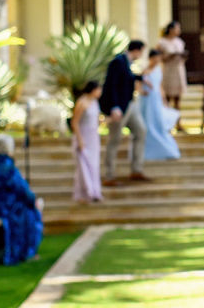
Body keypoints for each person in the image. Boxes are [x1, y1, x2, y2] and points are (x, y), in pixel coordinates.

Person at [0, 134, 43, 264]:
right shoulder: (8, 166)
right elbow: (23, 190)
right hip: (5, 210)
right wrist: (33, 201)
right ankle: (25, 252)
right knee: (31, 213)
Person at [99, 39, 150, 184]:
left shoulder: (127, 63)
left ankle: (136, 169)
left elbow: (126, 79)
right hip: (120, 107)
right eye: (141, 52)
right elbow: (112, 85)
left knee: (141, 131)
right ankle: (109, 175)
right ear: (137, 50)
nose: (141, 55)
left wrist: (141, 78)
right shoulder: (118, 62)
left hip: (129, 104)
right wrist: (114, 107)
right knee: (114, 139)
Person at [139, 48, 182, 160]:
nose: (158, 60)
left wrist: (164, 101)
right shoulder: (145, 71)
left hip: (156, 99)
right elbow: (139, 83)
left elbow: (159, 86)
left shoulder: (159, 70)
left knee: (158, 122)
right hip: (147, 99)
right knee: (147, 122)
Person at [71, 81, 103, 203]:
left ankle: (94, 191)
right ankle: (85, 192)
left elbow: (96, 121)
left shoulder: (95, 103)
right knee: (83, 165)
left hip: (93, 138)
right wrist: (80, 140)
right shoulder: (82, 103)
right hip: (83, 137)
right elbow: (75, 122)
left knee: (94, 165)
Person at [157, 20, 188, 131]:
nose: (178, 30)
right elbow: (158, 58)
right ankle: (167, 124)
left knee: (177, 99)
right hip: (168, 71)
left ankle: (178, 123)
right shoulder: (162, 42)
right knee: (168, 98)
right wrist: (170, 56)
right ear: (171, 29)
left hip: (178, 70)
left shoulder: (180, 42)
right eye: (177, 28)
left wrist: (183, 56)